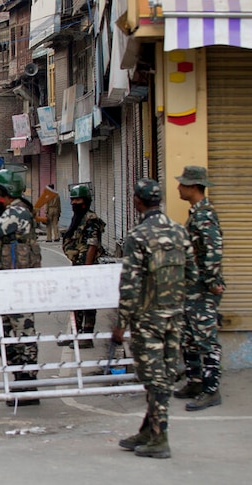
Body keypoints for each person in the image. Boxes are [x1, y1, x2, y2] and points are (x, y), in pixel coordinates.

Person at [113, 178, 197, 459]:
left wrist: (121, 323)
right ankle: (148, 430)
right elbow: (192, 276)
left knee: (155, 379)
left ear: (137, 201)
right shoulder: (179, 232)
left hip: (148, 319)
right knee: (164, 376)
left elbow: (129, 285)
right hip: (175, 317)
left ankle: (160, 438)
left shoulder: (138, 236)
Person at [0, 169, 42, 406]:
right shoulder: (9, 211)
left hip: (21, 285)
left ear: (3, 194)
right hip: (7, 284)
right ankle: (20, 375)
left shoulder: (17, 212)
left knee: (23, 332)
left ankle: (27, 384)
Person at [174, 166, 225, 411]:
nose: (178, 188)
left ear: (193, 187)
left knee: (206, 339)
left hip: (202, 289)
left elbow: (213, 249)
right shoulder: (196, 213)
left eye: (182, 184)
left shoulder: (204, 215)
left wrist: (212, 282)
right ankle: (194, 381)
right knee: (189, 337)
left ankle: (211, 389)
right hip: (192, 287)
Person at [59, 184, 105, 348]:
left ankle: (86, 336)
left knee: (88, 302)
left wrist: (86, 270)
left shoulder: (91, 219)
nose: (74, 203)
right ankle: (75, 334)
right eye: (72, 199)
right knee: (76, 301)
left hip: (88, 266)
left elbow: (92, 244)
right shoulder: (78, 217)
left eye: (78, 199)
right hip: (78, 265)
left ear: (86, 201)